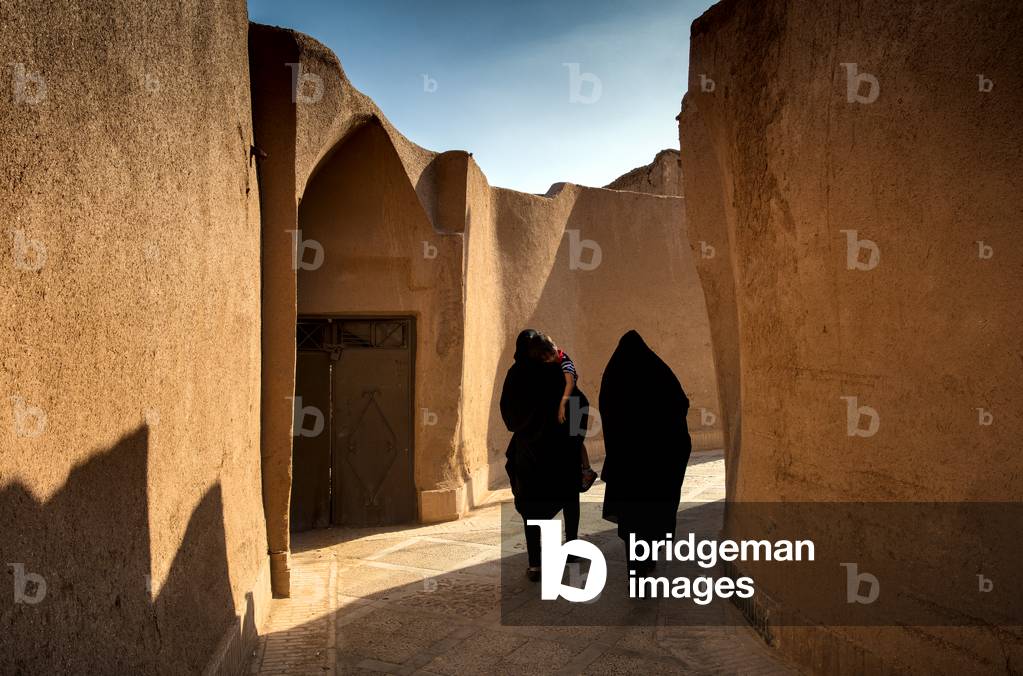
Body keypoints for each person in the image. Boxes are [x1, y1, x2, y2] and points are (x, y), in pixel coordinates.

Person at [598, 330, 692, 574]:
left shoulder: (614, 375)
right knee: (653, 514)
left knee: (633, 519)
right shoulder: (657, 371)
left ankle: (636, 569)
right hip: (657, 463)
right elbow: (680, 403)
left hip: (626, 464)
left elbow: (608, 413)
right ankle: (646, 563)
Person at [501, 329, 586, 581]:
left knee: (531, 506)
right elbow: (579, 404)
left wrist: (528, 428)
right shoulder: (558, 373)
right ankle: (571, 548)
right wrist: (573, 438)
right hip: (561, 451)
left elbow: (509, 414)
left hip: (529, 452)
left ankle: (535, 564)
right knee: (569, 497)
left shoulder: (516, 374)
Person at [528, 333, 599, 491]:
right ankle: (586, 471)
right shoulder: (555, 361)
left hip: (576, 404)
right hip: (573, 404)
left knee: (575, 440)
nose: (548, 360)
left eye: (549, 356)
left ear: (553, 350)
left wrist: (561, 405)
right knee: (574, 440)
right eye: (545, 359)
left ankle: (586, 471)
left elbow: (570, 383)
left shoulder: (564, 360)